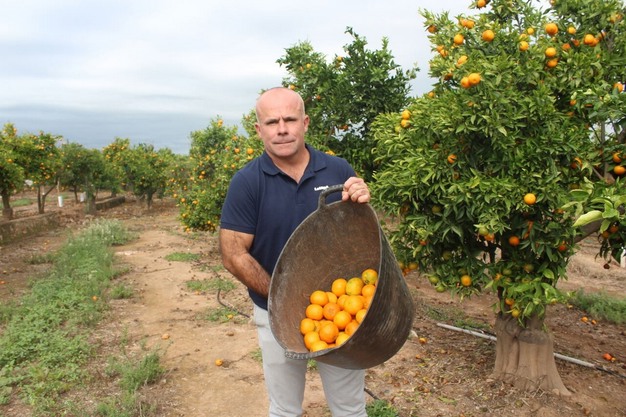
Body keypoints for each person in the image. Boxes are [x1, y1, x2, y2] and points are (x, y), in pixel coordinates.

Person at [219, 86, 370, 417]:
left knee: (350, 408)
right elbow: (233, 254)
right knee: (284, 409)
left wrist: (361, 199)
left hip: (339, 308)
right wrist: (281, 297)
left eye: (289, 119)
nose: (282, 129)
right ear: (259, 129)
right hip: (274, 313)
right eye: (272, 122)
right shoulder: (247, 182)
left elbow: (359, 236)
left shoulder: (337, 169)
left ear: (305, 122)